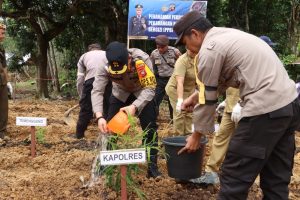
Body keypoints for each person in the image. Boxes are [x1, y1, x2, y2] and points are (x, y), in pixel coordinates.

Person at [173, 11, 300, 199]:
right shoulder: (229, 35)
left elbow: (208, 99)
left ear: (195, 34)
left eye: (185, 43)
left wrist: (196, 135)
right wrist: (194, 96)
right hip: (289, 106)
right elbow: (220, 81)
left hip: (264, 110)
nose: (188, 49)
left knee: (234, 176)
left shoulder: (210, 49)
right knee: (276, 178)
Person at [91, 41, 161, 178]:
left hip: (142, 92)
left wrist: (135, 106)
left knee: (150, 127)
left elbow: (150, 88)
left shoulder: (141, 60)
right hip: (120, 93)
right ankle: (106, 165)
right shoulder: (103, 64)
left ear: (128, 59)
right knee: (110, 128)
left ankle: (152, 167)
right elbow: (97, 90)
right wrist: (99, 116)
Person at [74, 43, 112, 139]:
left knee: (86, 109)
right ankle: (110, 133)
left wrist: (81, 96)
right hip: (108, 80)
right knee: (108, 107)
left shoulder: (84, 56)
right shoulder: (107, 53)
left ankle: (79, 134)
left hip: (91, 80)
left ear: (89, 50)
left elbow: (80, 79)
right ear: (100, 49)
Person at [165, 49, 196, 135]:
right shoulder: (182, 61)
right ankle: (178, 137)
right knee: (180, 113)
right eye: (192, 50)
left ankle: (188, 135)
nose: (194, 51)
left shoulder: (201, 59)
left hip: (190, 89)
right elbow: (180, 82)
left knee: (189, 112)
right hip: (175, 89)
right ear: (187, 49)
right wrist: (180, 100)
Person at [150, 35, 181, 120]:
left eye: (162, 47)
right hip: (160, 80)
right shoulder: (154, 53)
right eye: (158, 47)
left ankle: (173, 118)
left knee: (172, 99)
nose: (160, 49)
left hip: (172, 80)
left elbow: (182, 65)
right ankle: (153, 117)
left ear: (167, 45)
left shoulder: (175, 52)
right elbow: (152, 67)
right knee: (155, 99)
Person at [0, 22, 8, 139]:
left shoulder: (1, 48)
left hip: (1, 81)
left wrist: (6, 80)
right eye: (2, 32)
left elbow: (5, 65)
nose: (3, 35)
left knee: (3, 106)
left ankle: (1, 131)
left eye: (4, 32)